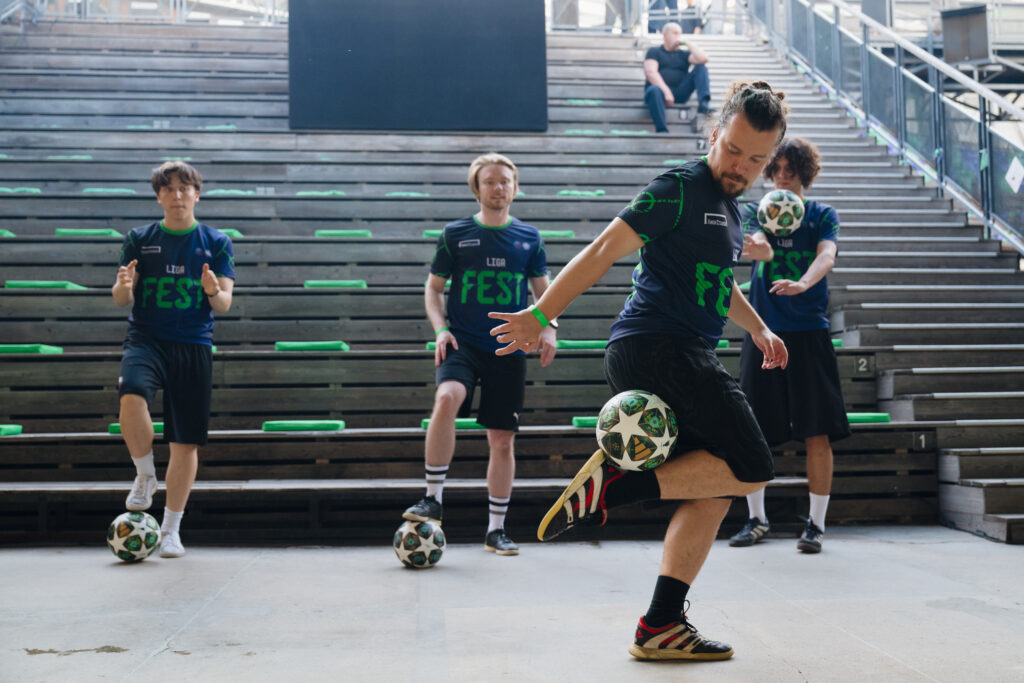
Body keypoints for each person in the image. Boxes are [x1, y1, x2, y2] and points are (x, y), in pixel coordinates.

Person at [488, 81, 789, 660]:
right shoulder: (677, 188)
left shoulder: (732, 209)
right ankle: (613, 487)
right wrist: (541, 313)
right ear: (714, 134)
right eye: (732, 150)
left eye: (756, 159)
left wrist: (757, 327)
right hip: (658, 347)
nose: (740, 166)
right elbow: (604, 248)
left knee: (719, 488)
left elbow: (718, 284)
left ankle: (661, 625)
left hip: (680, 349)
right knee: (753, 466)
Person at [402, 153, 557, 557]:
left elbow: (545, 292)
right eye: (489, 181)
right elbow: (433, 288)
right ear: (477, 189)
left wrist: (549, 327)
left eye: (504, 180)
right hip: (463, 343)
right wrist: (441, 329)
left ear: (515, 187)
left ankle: (496, 530)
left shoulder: (529, 237)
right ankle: (432, 497)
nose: (498, 187)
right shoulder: (455, 234)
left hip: (508, 346)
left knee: (502, 440)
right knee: (446, 397)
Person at [728, 137, 851, 554]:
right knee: (753, 430)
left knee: (817, 431)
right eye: (776, 168)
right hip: (763, 331)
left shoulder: (821, 214)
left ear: (804, 172)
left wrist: (803, 282)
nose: (782, 176)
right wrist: (761, 251)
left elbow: (827, 255)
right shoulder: (754, 211)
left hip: (809, 332)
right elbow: (755, 244)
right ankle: (756, 518)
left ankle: (816, 525)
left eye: (791, 169)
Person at [112, 161, 235, 559]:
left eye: (185, 188)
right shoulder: (139, 238)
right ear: (158, 196)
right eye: (168, 189)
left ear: (197, 194)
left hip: (193, 343)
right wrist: (122, 286)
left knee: (184, 441)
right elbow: (122, 299)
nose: (177, 195)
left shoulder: (217, 241)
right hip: (146, 338)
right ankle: (145, 474)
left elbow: (224, 304)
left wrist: (213, 290)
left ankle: (171, 530)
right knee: (131, 395)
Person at [643, 22, 711, 134]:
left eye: (679, 34)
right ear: (665, 35)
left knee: (701, 67)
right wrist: (666, 92)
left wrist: (687, 43)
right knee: (654, 90)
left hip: (679, 92)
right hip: (658, 94)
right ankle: (662, 130)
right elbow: (650, 72)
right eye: (674, 33)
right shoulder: (654, 51)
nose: (678, 37)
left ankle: (704, 103)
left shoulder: (683, 54)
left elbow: (703, 59)